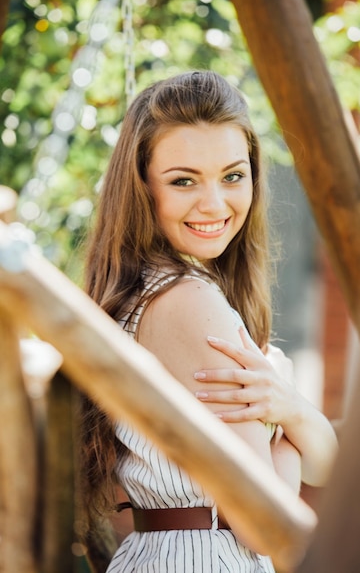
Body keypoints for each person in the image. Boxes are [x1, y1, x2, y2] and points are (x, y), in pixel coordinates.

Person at [81, 70, 337, 572]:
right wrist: (284, 436)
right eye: (183, 181)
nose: (215, 204)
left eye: (233, 176)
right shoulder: (188, 302)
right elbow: (265, 524)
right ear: (141, 189)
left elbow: (328, 465)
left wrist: (292, 408)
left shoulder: (148, 292)